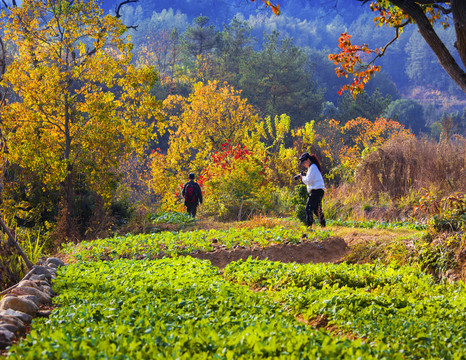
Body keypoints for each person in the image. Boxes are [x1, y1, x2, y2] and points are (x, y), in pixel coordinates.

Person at [297, 152, 326, 228]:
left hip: (316, 190)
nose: (304, 164)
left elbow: (308, 181)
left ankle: (309, 227)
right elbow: (310, 179)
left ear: (308, 160)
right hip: (319, 190)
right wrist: (305, 175)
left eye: (304, 162)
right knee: (317, 210)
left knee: (308, 209)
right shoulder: (312, 167)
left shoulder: (312, 167)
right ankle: (323, 226)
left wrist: (301, 177)